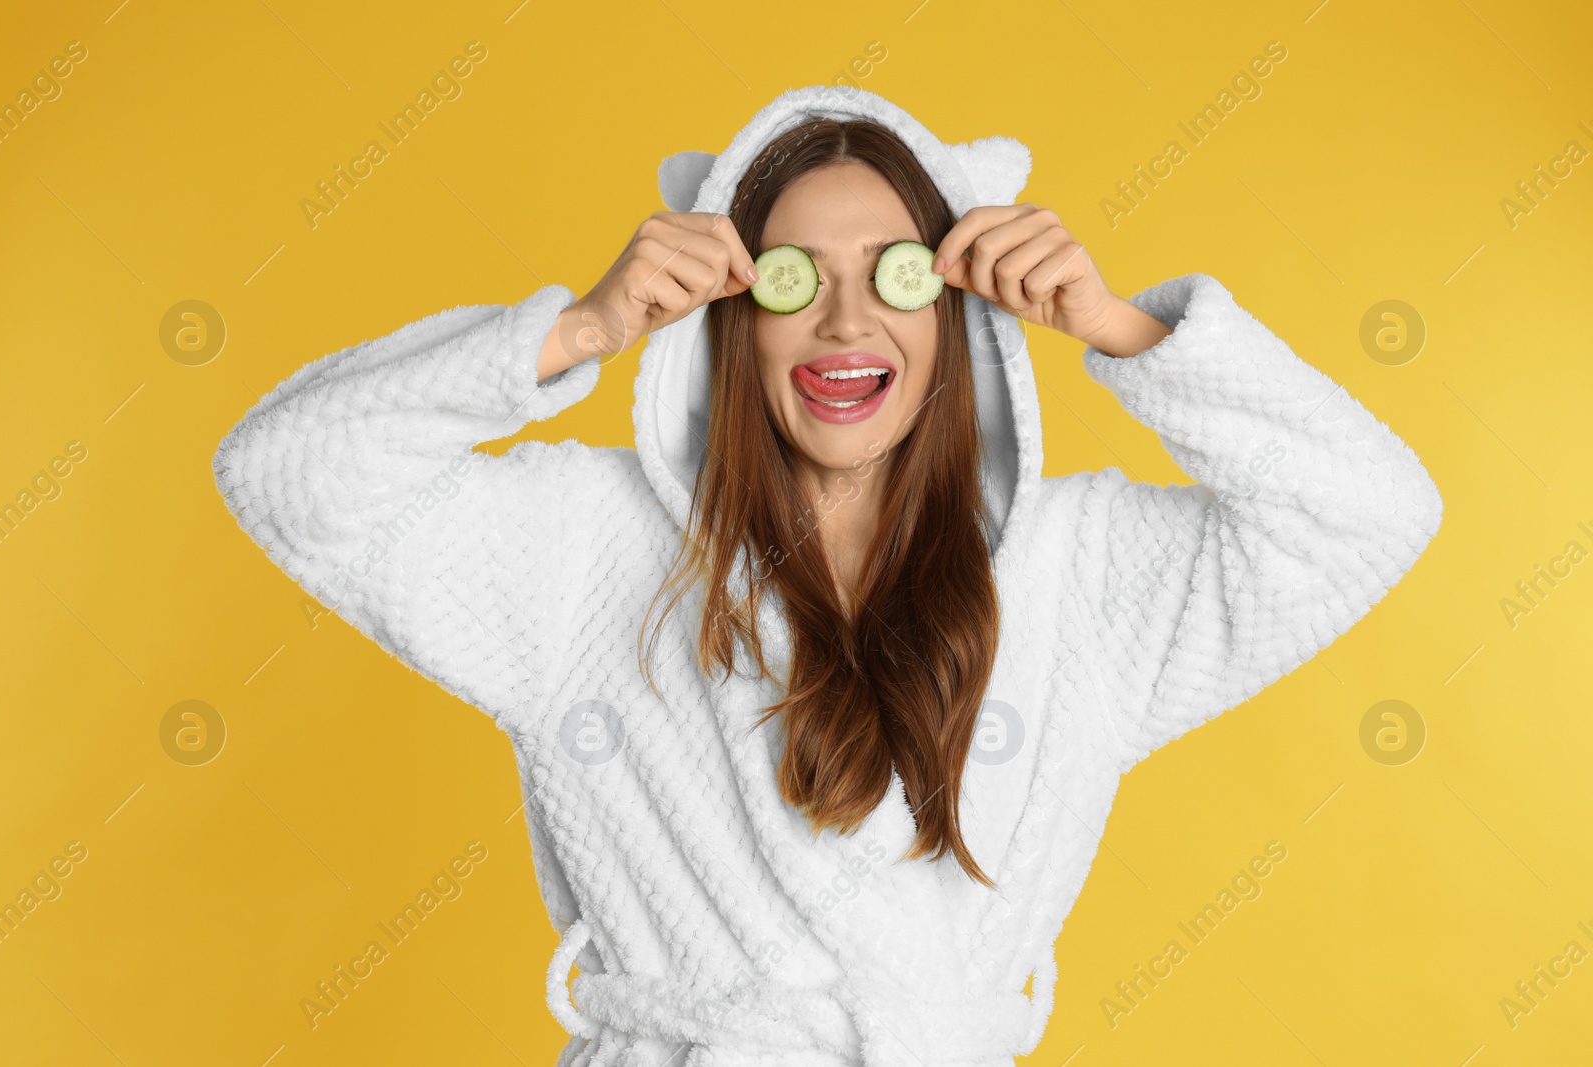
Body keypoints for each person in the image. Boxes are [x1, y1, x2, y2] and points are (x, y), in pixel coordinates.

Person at [211, 85, 1443, 1067]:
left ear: (954, 314)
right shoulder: (585, 549)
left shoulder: (1082, 570)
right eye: (796, 279)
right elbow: (284, 470)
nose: (847, 326)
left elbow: (1369, 512)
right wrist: (577, 329)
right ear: (731, 311)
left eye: (895, 277)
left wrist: (1125, 329)